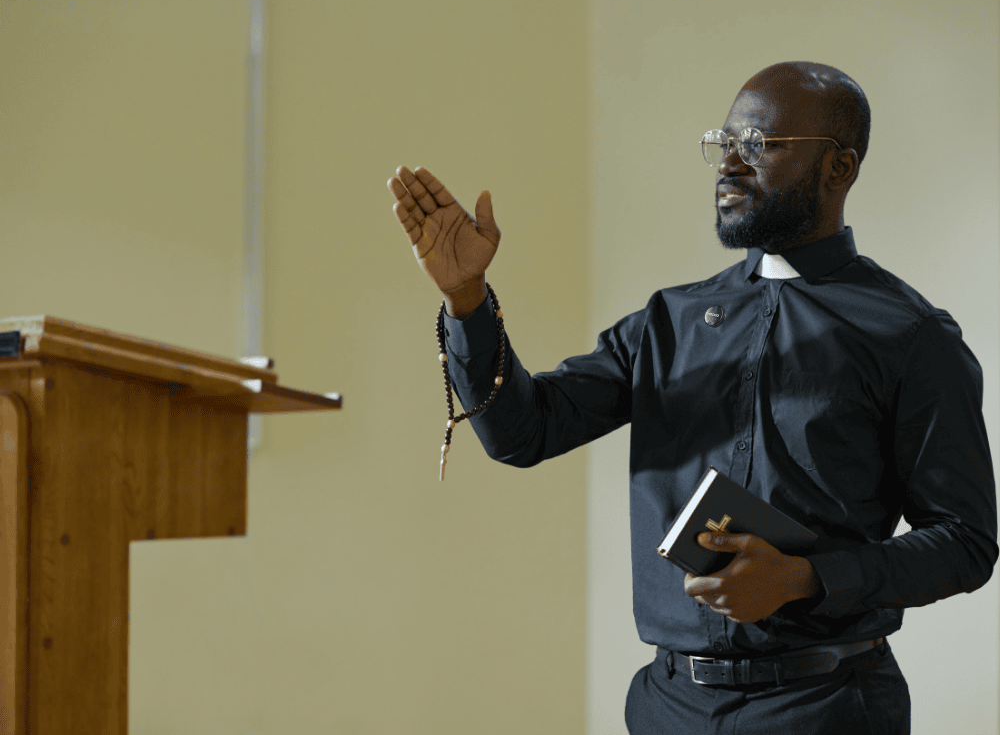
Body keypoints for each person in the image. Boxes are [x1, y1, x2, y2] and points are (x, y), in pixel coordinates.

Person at [386, 61, 998, 734]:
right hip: (667, 706)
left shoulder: (910, 335)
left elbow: (965, 542)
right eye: (724, 143)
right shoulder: (668, 321)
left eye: (758, 146)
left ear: (839, 169)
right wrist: (467, 302)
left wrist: (804, 578)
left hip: (826, 707)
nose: (729, 165)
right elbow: (522, 432)